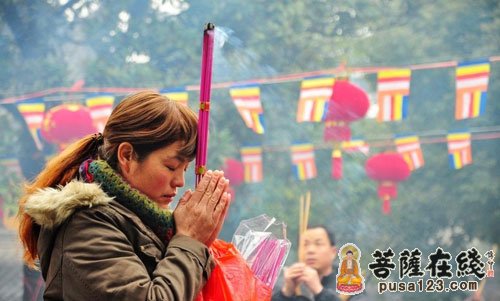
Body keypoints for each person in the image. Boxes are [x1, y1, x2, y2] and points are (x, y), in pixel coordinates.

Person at [17, 91, 232, 301]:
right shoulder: (87, 224)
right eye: (171, 166)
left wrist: (199, 242)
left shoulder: (143, 221)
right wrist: (189, 241)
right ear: (127, 155)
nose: (180, 182)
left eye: (184, 169)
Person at [272, 225, 340, 301]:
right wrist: (286, 294)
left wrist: (319, 291)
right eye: (305, 244)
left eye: (318, 244)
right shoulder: (282, 284)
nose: (310, 250)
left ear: (333, 252)